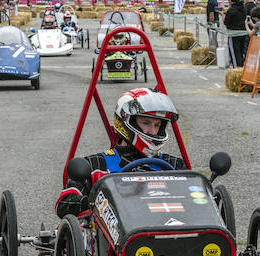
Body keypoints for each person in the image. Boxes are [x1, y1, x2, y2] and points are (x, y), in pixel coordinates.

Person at [55, 89, 185, 218]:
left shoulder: (173, 164)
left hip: (169, 229)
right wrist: (99, 201)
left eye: (157, 125)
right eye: (146, 123)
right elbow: (64, 204)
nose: (153, 131)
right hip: (120, 235)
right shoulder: (96, 165)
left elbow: (197, 199)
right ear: (126, 122)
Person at [223, 0, 247, 67]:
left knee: (234, 53)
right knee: (240, 52)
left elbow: (226, 22)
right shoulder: (243, 8)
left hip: (233, 33)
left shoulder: (231, 10)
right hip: (243, 32)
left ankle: (236, 69)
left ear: (230, 0)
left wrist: (222, 15)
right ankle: (241, 67)